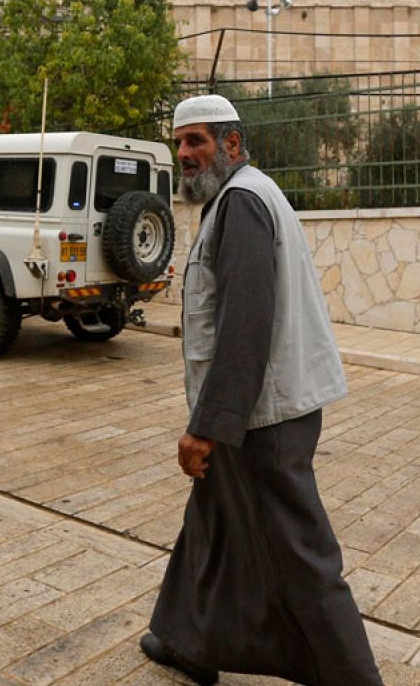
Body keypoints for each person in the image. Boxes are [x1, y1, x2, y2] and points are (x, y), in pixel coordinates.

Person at [142, 94, 383, 686]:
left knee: (300, 556)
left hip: (262, 420)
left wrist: (205, 427)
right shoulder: (236, 197)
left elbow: (244, 327)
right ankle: (187, 641)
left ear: (231, 143)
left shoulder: (243, 203)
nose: (184, 154)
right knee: (214, 525)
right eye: (179, 143)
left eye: (196, 141)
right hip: (254, 412)